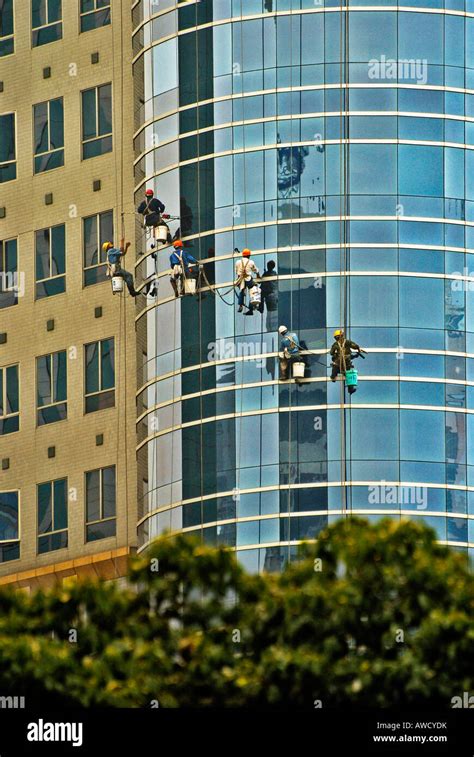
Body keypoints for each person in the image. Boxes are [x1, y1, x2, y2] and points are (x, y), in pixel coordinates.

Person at [235, 248, 259, 314]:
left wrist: (238, 282)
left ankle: (240, 305)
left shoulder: (238, 262)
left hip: (240, 279)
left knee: (242, 291)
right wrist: (258, 275)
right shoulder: (251, 262)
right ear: (249, 256)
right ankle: (252, 306)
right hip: (248, 278)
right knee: (254, 288)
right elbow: (255, 270)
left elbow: (237, 272)